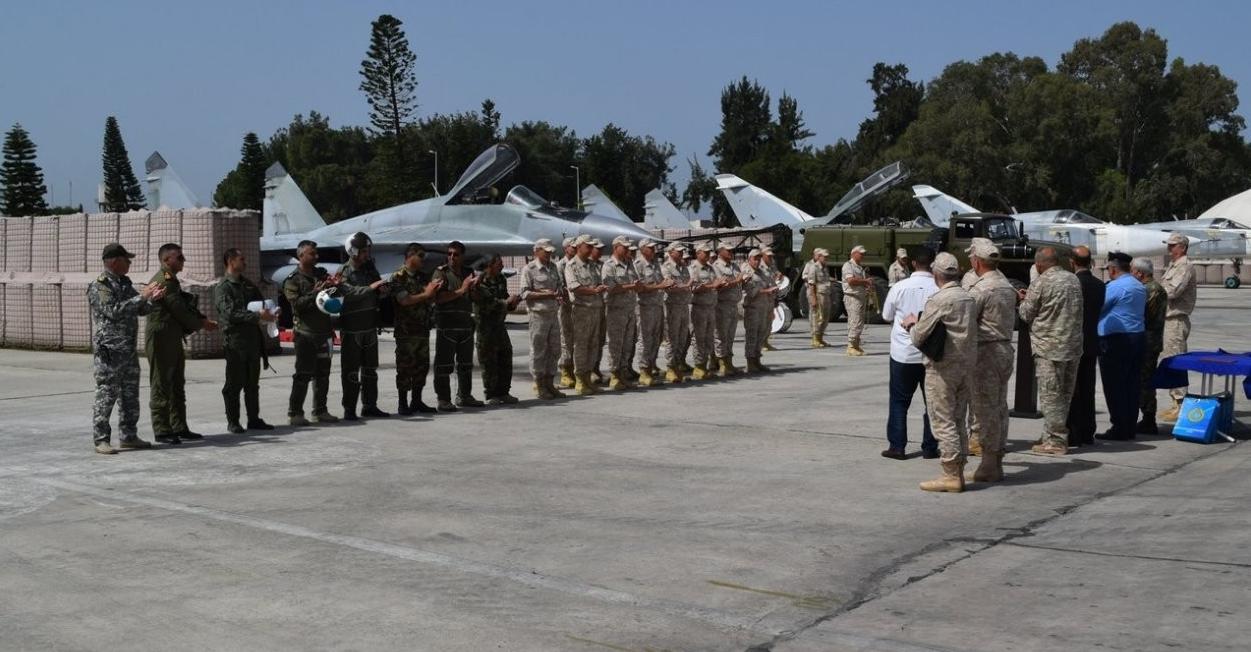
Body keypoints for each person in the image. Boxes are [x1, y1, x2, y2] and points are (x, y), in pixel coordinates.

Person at [902, 252, 977, 492]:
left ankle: (950, 474)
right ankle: (960, 470)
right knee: (958, 419)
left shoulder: (939, 300)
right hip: (965, 366)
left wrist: (912, 323)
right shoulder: (968, 297)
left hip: (943, 368)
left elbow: (919, 336)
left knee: (943, 421)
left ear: (937, 275)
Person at [88, 243, 165, 454]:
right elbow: (113, 310)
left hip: (128, 350)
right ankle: (101, 439)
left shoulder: (124, 283)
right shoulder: (100, 286)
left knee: (130, 395)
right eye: (126, 260)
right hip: (110, 352)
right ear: (114, 261)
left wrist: (152, 300)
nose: (129, 263)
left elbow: (139, 308)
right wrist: (142, 296)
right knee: (107, 394)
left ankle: (129, 436)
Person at [146, 243, 218, 444]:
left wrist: (200, 321)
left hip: (171, 336)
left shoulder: (172, 280)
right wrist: (202, 323)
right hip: (162, 338)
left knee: (177, 383)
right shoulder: (165, 281)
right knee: (161, 383)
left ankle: (178, 426)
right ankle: (161, 429)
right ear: (166, 260)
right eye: (179, 257)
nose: (183, 260)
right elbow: (178, 310)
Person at [1017, 247, 1084, 455]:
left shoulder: (1041, 282)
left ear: (1038, 265)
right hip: (1072, 346)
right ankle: (1051, 435)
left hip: (1049, 346)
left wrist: (1022, 301)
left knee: (1050, 395)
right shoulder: (1073, 279)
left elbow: (1026, 314)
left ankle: (1055, 442)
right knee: (1064, 395)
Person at [964, 239, 1018, 482]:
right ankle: (996, 461)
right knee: (999, 407)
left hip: (985, 351)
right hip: (1004, 349)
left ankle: (988, 464)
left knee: (984, 409)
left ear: (976, 261)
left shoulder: (981, 289)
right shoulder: (1006, 285)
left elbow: (966, 320)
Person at [879, 247, 939, 460]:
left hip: (903, 353)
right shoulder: (939, 288)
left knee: (899, 401)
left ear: (913, 263)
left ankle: (897, 446)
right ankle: (930, 446)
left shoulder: (900, 287)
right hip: (930, 353)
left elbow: (887, 315)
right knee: (932, 401)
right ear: (932, 263)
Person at [213, 248, 276, 434]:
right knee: (234, 384)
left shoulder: (248, 285)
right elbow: (229, 313)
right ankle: (233, 421)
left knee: (252, 384)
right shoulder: (223, 287)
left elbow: (262, 304)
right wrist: (256, 316)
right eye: (241, 259)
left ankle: (254, 419)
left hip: (252, 341)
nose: (245, 262)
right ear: (231, 261)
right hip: (235, 342)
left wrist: (271, 313)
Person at [284, 240, 341, 425]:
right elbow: (296, 305)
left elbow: (333, 295)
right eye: (312, 253)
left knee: (323, 375)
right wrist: (314, 293)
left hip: (324, 333)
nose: (316, 256)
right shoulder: (293, 279)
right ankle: (295, 413)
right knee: (303, 375)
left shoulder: (321, 274)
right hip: (305, 334)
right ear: (301, 256)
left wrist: (335, 285)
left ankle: (320, 411)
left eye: (316, 253)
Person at [337, 232, 392, 420]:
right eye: (364, 250)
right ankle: (349, 408)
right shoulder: (344, 271)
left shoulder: (369, 269)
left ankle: (370, 405)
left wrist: (382, 291)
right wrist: (371, 288)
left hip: (369, 326)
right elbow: (348, 292)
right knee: (351, 372)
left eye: (368, 250)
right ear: (353, 251)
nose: (367, 254)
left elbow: (377, 289)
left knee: (370, 370)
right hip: (352, 330)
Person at [1096, 252, 1147, 441]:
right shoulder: (1138, 285)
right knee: (1131, 385)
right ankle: (1129, 426)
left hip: (1116, 340)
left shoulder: (1116, 286)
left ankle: (1119, 426)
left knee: (1114, 385)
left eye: (1109, 269)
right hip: (1137, 337)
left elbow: (1098, 306)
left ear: (1114, 268)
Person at [391, 243, 443, 415]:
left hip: (422, 329)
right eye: (420, 256)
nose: (423, 259)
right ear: (410, 256)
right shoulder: (398, 277)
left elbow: (428, 300)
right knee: (405, 367)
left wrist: (433, 292)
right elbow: (404, 300)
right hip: (406, 332)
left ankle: (417, 401)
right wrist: (426, 294)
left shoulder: (422, 277)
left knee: (421, 367)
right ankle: (403, 403)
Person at [432, 240, 484, 411]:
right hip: (448, 326)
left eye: (456, 254)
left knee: (465, 364)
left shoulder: (468, 272)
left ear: (463, 256)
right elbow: (438, 298)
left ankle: (464, 396)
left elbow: (475, 298)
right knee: (444, 364)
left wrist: (474, 288)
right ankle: (443, 399)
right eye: (449, 254)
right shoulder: (441, 273)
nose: (452, 257)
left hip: (465, 325)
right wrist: (462, 290)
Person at [1066, 246, 1105, 447]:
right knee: (1087, 389)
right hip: (1091, 342)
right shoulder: (1100, 285)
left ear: (1072, 261)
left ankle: (1074, 432)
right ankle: (1088, 431)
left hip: (1073, 343)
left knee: (1072, 390)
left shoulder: (1072, 284)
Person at [1157, 232, 1197, 422]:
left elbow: (1173, 291)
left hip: (1176, 320)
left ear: (1182, 247)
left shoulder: (1185, 266)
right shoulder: (1174, 265)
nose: (1169, 248)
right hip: (1167, 320)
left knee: (1176, 360)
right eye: (1169, 245)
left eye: (1173, 246)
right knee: (1169, 360)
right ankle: (1175, 402)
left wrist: (1153, 290)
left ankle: (1181, 404)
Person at [520, 239, 565, 400]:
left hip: (553, 314)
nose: (549, 254)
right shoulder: (529, 269)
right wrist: (546, 294)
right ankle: (539, 385)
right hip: (538, 315)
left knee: (555, 349)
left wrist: (558, 293)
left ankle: (550, 383)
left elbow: (559, 286)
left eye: (550, 251)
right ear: (536, 251)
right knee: (539, 350)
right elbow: (524, 293)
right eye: (546, 251)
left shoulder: (553, 267)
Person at [473, 253, 520, 405]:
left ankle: (503, 392)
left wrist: (513, 303)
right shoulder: (480, 282)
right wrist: (507, 303)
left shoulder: (500, 278)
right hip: (486, 327)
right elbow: (488, 304)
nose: (502, 266)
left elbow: (504, 298)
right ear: (489, 265)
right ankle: (491, 394)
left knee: (506, 355)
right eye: (498, 263)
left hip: (499, 325)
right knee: (489, 361)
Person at [564, 235, 607, 395]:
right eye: (588, 246)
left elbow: (597, 283)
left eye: (591, 246)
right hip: (582, 311)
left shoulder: (592, 265)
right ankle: (580, 379)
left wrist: (599, 288)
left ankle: (588, 377)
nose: (590, 249)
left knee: (593, 344)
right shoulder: (572, 265)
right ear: (580, 246)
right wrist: (594, 290)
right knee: (581, 345)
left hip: (596, 309)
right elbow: (573, 287)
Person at [602, 236, 641, 390]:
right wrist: (630, 286)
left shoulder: (630, 264)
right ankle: (615, 376)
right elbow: (610, 287)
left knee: (627, 344)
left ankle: (623, 373)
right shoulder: (609, 265)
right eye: (624, 247)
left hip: (630, 310)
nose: (627, 250)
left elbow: (636, 282)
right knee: (616, 345)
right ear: (616, 247)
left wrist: (635, 286)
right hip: (616, 311)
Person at [1134, 258, 1167, 434]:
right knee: (1145, 380)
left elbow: (1144, 314)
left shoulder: (1150, 290)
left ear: (1140, 273)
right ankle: (1147, 417)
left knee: (1145, 381)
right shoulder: (1153, 288)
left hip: (1148, 341)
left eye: (1133, 271)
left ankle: (1148, 418)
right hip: (1150, 340)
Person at [633, 238, 672, 386]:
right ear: (642, 249)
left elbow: (661, 281)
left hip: (657, 306)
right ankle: (644, 370)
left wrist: (666, 284)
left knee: (656, 338)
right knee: (645, 339)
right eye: (650, 248)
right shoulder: (638, 265)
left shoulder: (655, 263)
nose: (653, 250)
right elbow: (640, 287)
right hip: (644, 307)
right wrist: (659, 286)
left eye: (654, 248)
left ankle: (651, 366)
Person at [741, 249, 778, 372]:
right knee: (752, 335)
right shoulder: (747, 273)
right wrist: (767, 291)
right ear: (749, 259)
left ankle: (757, 360)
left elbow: (768, 284)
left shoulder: (761, 272)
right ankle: (750, 362)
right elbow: (750, 292)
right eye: (755, 259)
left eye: (759, 259)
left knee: (761, 335)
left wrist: (772, 290)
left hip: (763, 307)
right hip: (752, 308)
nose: (757, 261)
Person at [660, 242, 692, 382]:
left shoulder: (683, 267)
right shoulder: (666, 268)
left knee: (682, 338)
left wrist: (687, 286)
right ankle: (671, 368)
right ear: (671, 252)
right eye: (678, 251)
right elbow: (669, 286)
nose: (680, 253)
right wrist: (686, 286)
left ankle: (678, 364)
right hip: (672, 307)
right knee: (672, 339)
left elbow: (687, 282)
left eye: (681, 251)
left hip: (684, 306)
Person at [688, 243, 721, 380]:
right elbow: (693, 288)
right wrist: (712, 286)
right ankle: (699, 366)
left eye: (709, 253)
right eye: (705, 253)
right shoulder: (693, 268)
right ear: (698, 253)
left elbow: (716, 282)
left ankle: (705, 365)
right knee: (699, 338)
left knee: (708, 338)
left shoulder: (710, 268)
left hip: (710, 307)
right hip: (699, 308)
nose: (707, 255)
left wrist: (718, 284)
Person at [712, 243, 746, 376]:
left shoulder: (734, 265)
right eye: (728, 250)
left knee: (730, 335)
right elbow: (719, 285)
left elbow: (738, 281)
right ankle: (721, 363)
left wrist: (742, 281)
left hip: (733, 305)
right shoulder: (716, 267)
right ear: (720, 252)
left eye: (732, 250)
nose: (731, 252)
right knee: (720, 335)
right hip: (721, 305)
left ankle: (729, 361)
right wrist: (736, 281)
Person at [842, 244, 872, 356]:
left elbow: (860, 282)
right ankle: (851, 346)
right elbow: (851, 281)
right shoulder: (848, 265)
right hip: (852, 297)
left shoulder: (859, 267)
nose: (863, 255)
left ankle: (856, 344)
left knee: (859, 322)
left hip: (860, 297)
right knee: (854, 321)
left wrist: (867, 286)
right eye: (861, 253)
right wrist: (865, 281)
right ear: (854, 253)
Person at [556, 237, 578, 389]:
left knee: (577, 340)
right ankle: (565, 371)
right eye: (572, 246)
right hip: (565, 307)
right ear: (566, 249)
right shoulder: (560, 265)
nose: (575, 248)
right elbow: (559, 286)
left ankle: (576, 370)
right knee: (565, 340)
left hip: (578, 307)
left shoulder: (578, 264)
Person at [802, 248, 833, 348]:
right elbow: (811, 284)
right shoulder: (813, 267)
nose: (826, 258)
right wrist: (813, 298)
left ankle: (820, 337)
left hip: (826, 295)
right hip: (818, 295)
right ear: (819, 257)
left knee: (825, 317)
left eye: (827, 257)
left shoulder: (825, 267)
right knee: (816, 317)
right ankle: (815, 339)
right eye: (824, 256)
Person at [589, 239, 608, 385]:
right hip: (588, 308)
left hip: (602, 306)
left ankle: (595, 368)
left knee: (600, 340)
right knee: (588, 341)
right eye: (597, 249)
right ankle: (586, 371)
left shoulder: (602, 265)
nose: (600, 251)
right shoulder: (586, 266)